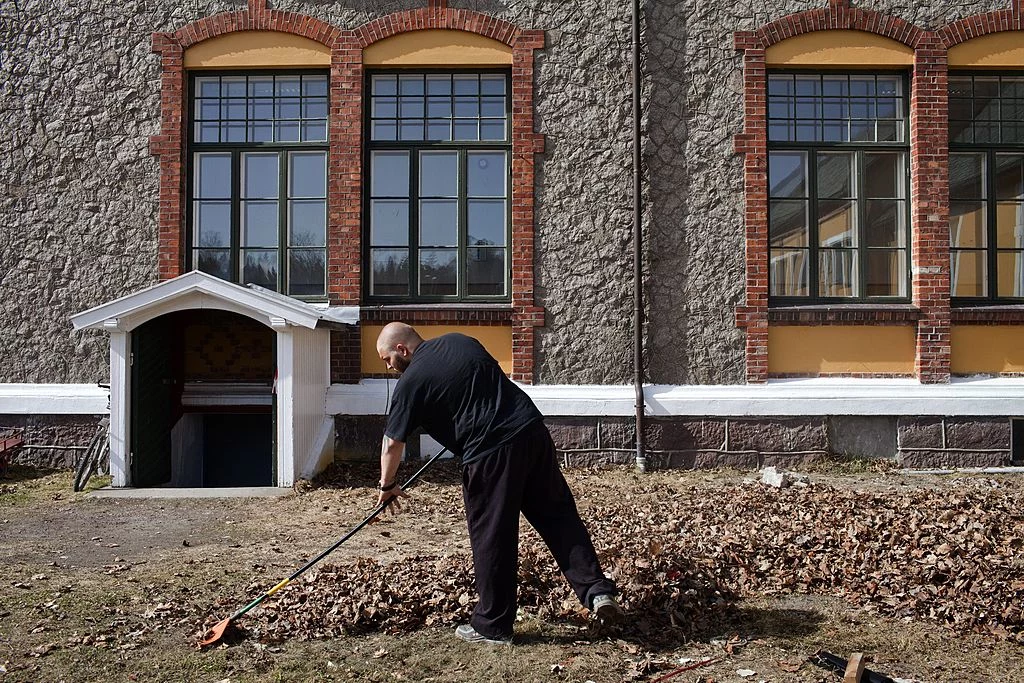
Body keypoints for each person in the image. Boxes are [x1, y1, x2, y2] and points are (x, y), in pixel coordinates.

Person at [374, 322, 622, 644]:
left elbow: (392, 443)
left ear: (402, 349)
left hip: (490, 454)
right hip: (531, 431)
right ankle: (597, 592)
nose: (389, 367)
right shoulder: (460, 341)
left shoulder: (410, 382)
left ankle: (492, 626)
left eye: (387, 359)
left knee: (493, 537)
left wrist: (386, 485)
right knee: (558, 517)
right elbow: (479, 386)